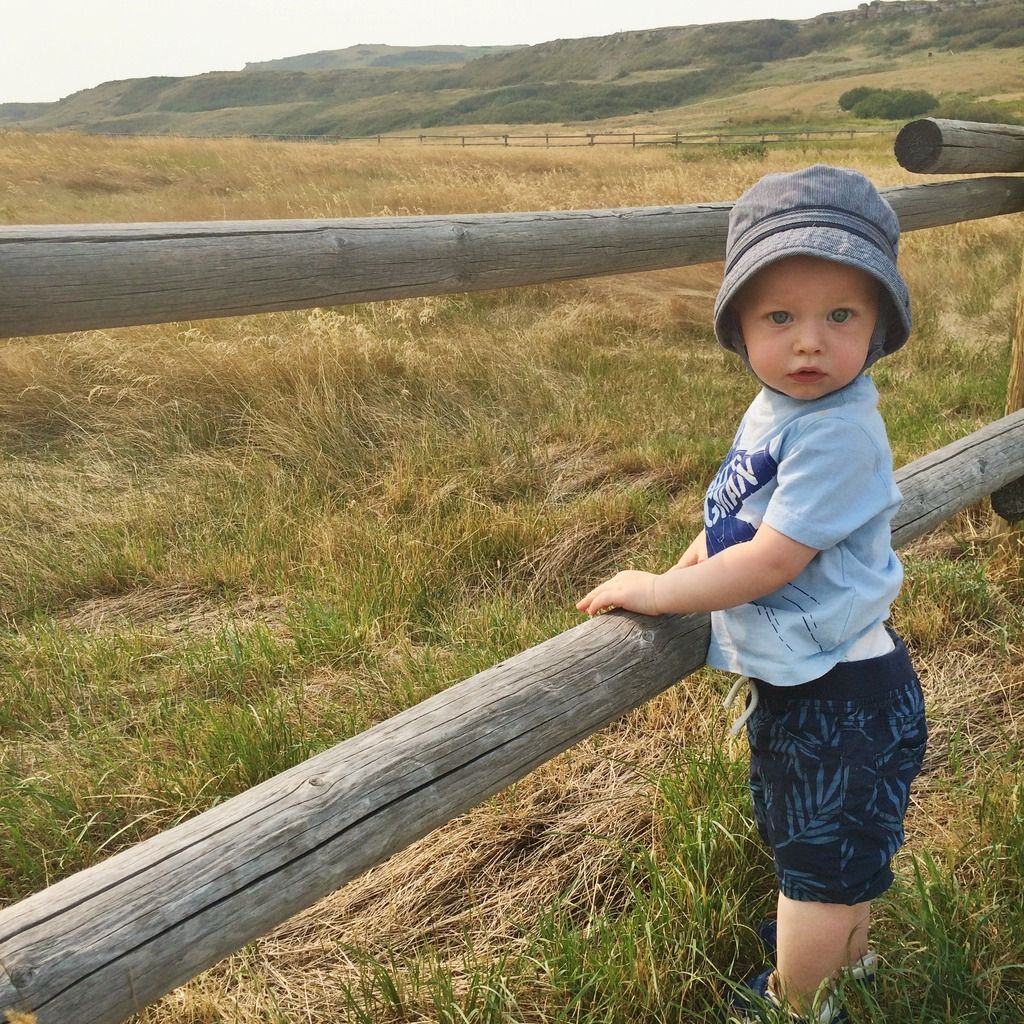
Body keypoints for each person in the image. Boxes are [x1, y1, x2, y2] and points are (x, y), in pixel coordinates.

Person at [576, 165, 928, 1024]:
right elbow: (735, 515)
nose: (809, 342)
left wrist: (666, 590)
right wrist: (694, 558)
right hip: (806, 685)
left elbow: (771, 561)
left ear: (878, 326)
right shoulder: (776, 409)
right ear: (740, 328)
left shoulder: (840, 433)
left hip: (845, 699)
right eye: (781, 317)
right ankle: (841, 971)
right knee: (817, 859)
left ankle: (802, 1007)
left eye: (840, 315)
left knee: (820, 876)